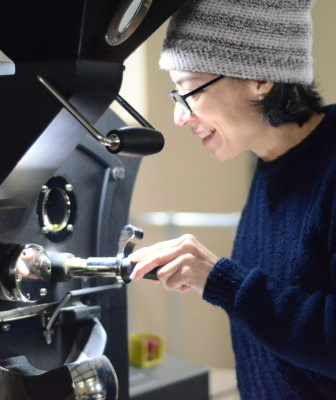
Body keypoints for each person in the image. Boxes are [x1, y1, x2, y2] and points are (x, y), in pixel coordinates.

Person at [129, 0, 336, 398]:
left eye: (190, 90)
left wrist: (225, 282)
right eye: (177, 94)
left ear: (259, 77)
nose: (180, 117)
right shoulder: (274, 165)